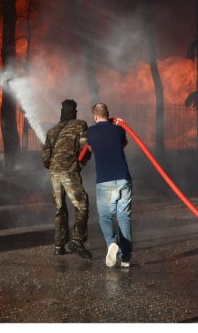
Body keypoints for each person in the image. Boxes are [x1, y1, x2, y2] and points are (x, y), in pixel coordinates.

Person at [41, 99, 92, 259]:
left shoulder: (52, 130)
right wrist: (79, 164)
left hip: (54, 173)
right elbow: (86, 148)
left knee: (59, 208)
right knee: (82, 205)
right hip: (69, 171)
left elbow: (45, 158)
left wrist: (53, 167)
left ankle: (59, 246)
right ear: (75, 111)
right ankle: (77, 240)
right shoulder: (80, 124)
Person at [86, 102, 132, 268]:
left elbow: (89, 149)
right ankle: (125, 258)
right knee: (124, 217)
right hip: (123, 178)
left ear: (95, 116)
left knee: (106, 217)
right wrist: (117, 123)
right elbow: (123, 144)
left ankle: (112, 244)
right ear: (108, 113)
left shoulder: (90, 131)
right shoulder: (119, 129)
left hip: (104, 180)